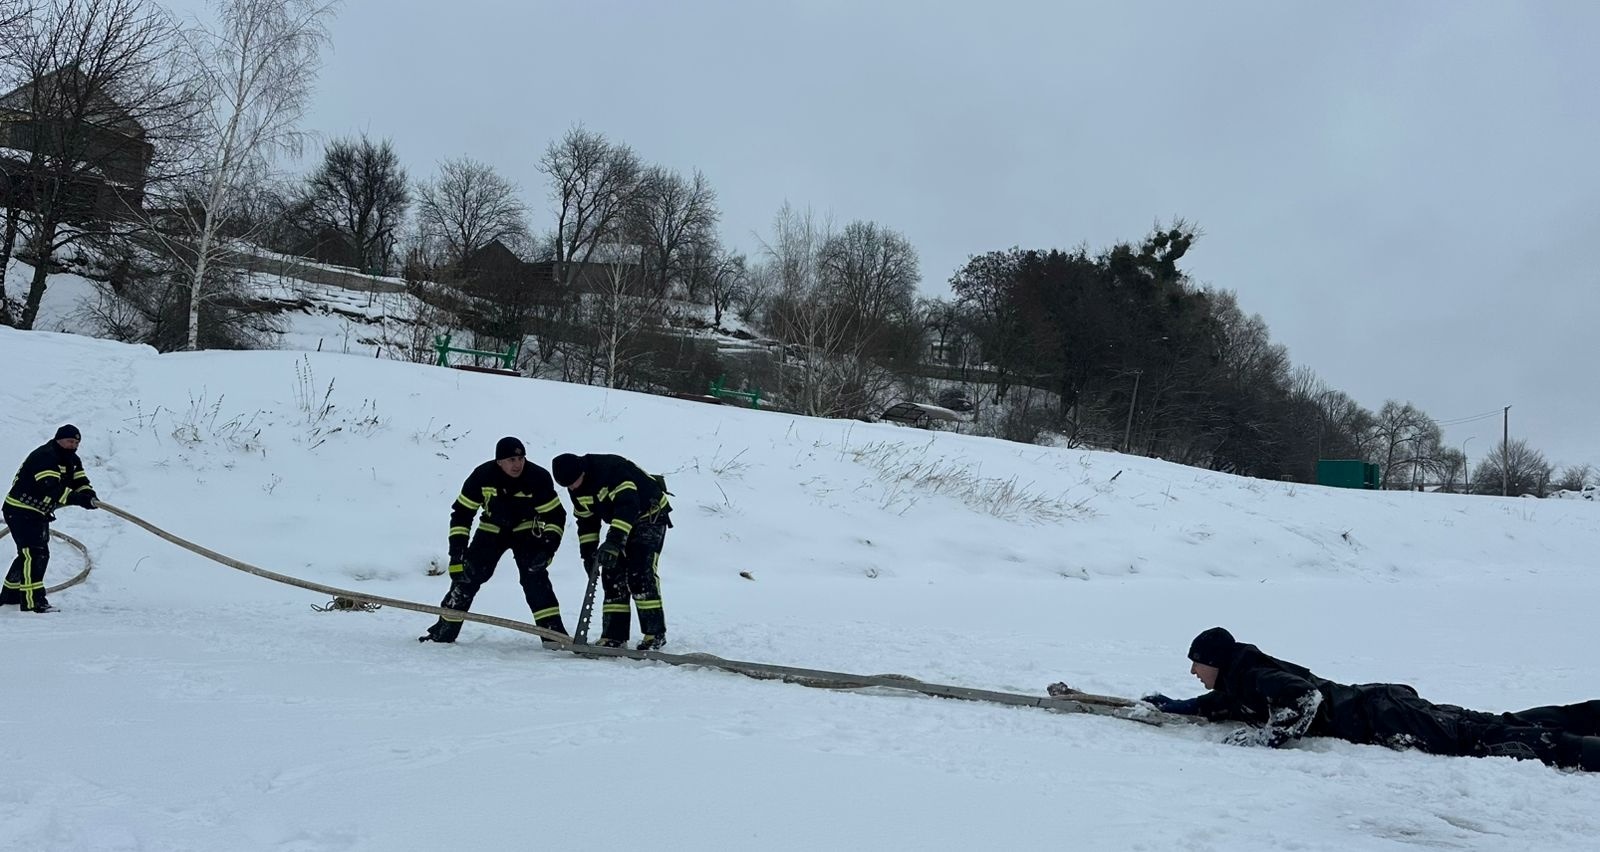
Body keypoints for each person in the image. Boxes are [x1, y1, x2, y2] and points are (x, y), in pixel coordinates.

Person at [1140, 627, 1600, 772]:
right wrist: (1172, 706)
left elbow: (1304, 700)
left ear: (1216, 661)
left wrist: (1266, 740)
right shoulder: (1238, 683)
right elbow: (1214, 707)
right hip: (1381, 705)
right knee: (1489, 722)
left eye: (1197, 664)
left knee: (1482, 738)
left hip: (1379, 715)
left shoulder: (1257, 675)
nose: (1193, 673)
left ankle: (1581, 748)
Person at [420, 437, 569, 645]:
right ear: (499, 461)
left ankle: (554, 636)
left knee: (535, 579)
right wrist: (457, 555)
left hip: (526, 529)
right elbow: (462, 514)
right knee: (467, 576)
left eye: (521, 458)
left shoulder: (538, 477)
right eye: (511, 459)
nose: (517, 464)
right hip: (492, 528)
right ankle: (444, 631)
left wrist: (547, 550)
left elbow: (556, 516)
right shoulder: (482, 476)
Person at [550, 452, 671, 650]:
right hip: (623, 521)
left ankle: (654, 634)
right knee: (611, 574)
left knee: (639, 572)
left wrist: (614, 542)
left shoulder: (610, 471)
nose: (573, 488)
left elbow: (628, 505)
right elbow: (586, 521)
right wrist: (588, 555)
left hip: (650, 515)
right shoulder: (576, 486)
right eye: (568, 486)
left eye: (574, 482)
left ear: (582, 471)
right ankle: (614, 636)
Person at [2, 425, 98, 613]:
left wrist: (88, 495)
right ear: (59, 439)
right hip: (20, 509)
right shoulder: (45, 456)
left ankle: (10, 596)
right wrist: (78, 499)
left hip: (38, 512)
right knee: (35, 554)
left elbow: (80, 482)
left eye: (77, 442)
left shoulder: (72, 460)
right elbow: (50, 488)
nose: (74, 446)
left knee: (30, 554)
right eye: (70, 441)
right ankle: (32, 602)